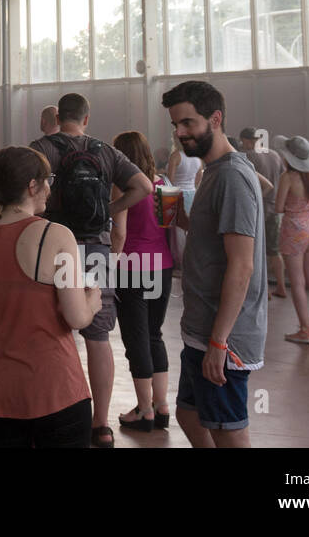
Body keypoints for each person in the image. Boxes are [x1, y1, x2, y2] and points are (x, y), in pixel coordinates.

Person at [0, 146, 97, 448]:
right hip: (55, 390)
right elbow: (76, 317)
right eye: (48, 180)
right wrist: (93, 300)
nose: (49, 189)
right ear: (33, 186)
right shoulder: (57, 235)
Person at [29, 93, 152, 448]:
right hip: (96, 249)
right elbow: (143, 186)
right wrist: (110, 211)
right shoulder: (106, 151)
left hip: (53, 246)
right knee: (98, 338)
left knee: (50, 332)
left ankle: (50, 413)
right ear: (86, 118)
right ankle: (101, 424)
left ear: (57, 116)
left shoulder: (42, 147)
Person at [162, 81, 265, 449]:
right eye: (175, 125)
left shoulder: (232, 177)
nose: (180, 133)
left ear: (215, 119)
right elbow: (214, 237)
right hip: (200, 327)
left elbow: (242, 266)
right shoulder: (213, 172)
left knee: (227, 429)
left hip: (223, 336)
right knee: (189, 414)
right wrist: (182, 220)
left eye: (188, 123)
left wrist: (219, 342)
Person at [110, 131, 174, 434]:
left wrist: (109, 266)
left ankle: (144, 410)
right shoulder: (164, 186)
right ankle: (162, 406)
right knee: (154, 335)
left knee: (135, 340)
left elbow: (119, 233)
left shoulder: (122, 187)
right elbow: (170, 230)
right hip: (161, 266)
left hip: (131, 268)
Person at [271, 136, 309, 343]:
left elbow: (278, 207)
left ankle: (304, 330)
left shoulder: (288, 177)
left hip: (293, 228)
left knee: (297, 282)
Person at [240, 128, 286, 299]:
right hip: (274, 209)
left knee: (256, 251)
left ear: (246, 140)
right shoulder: (274, 155)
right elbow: (282, 178)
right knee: (274, 251)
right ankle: (281, 286)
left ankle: (264, 289)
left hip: (257, 209)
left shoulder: (249, 156)